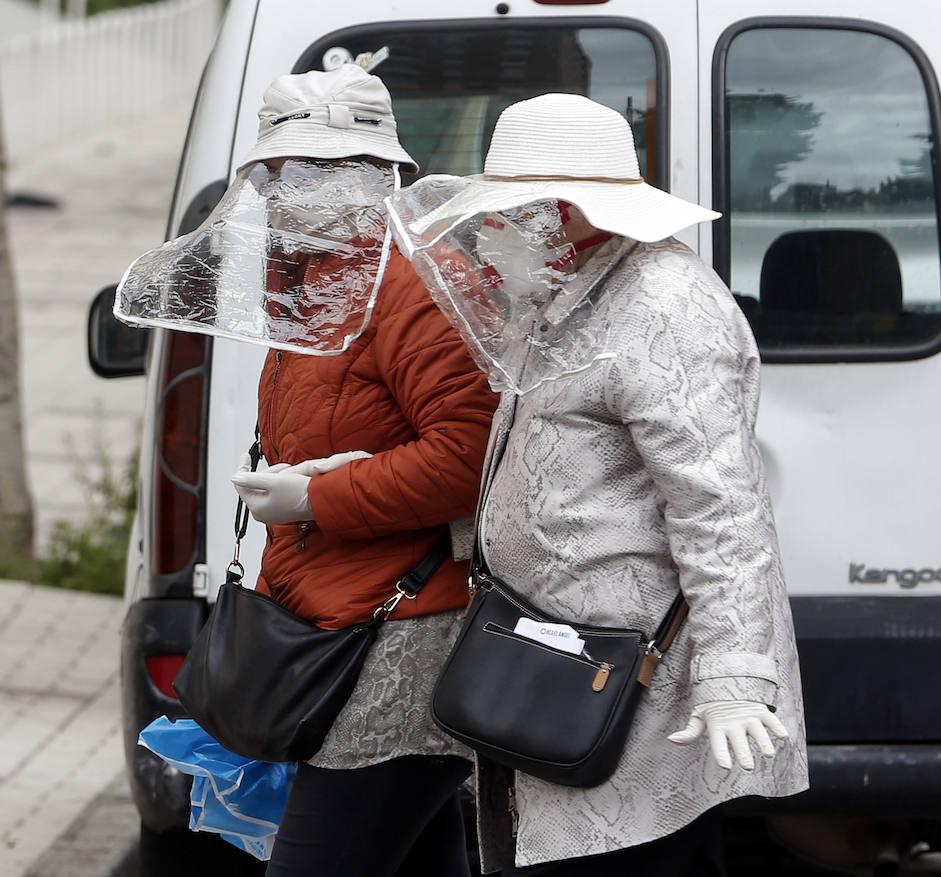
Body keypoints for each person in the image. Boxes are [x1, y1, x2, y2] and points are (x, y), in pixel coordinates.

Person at [390, 92, 808, 875]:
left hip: (630, 682)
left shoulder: (664, 309)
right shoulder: (562, 295)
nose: (494, 231)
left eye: (513, 212)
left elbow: (722, 510)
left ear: (571, 212)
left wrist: (733, 675)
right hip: (553, 664)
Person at [224, 65, 497, 876]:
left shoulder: (416, 281)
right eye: (280, 170)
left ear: (379, 173)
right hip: (342, 621)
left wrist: (314, 495)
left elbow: (470, 453)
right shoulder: (314, 276)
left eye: (314, 169)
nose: (286, 191)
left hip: (405, 638)